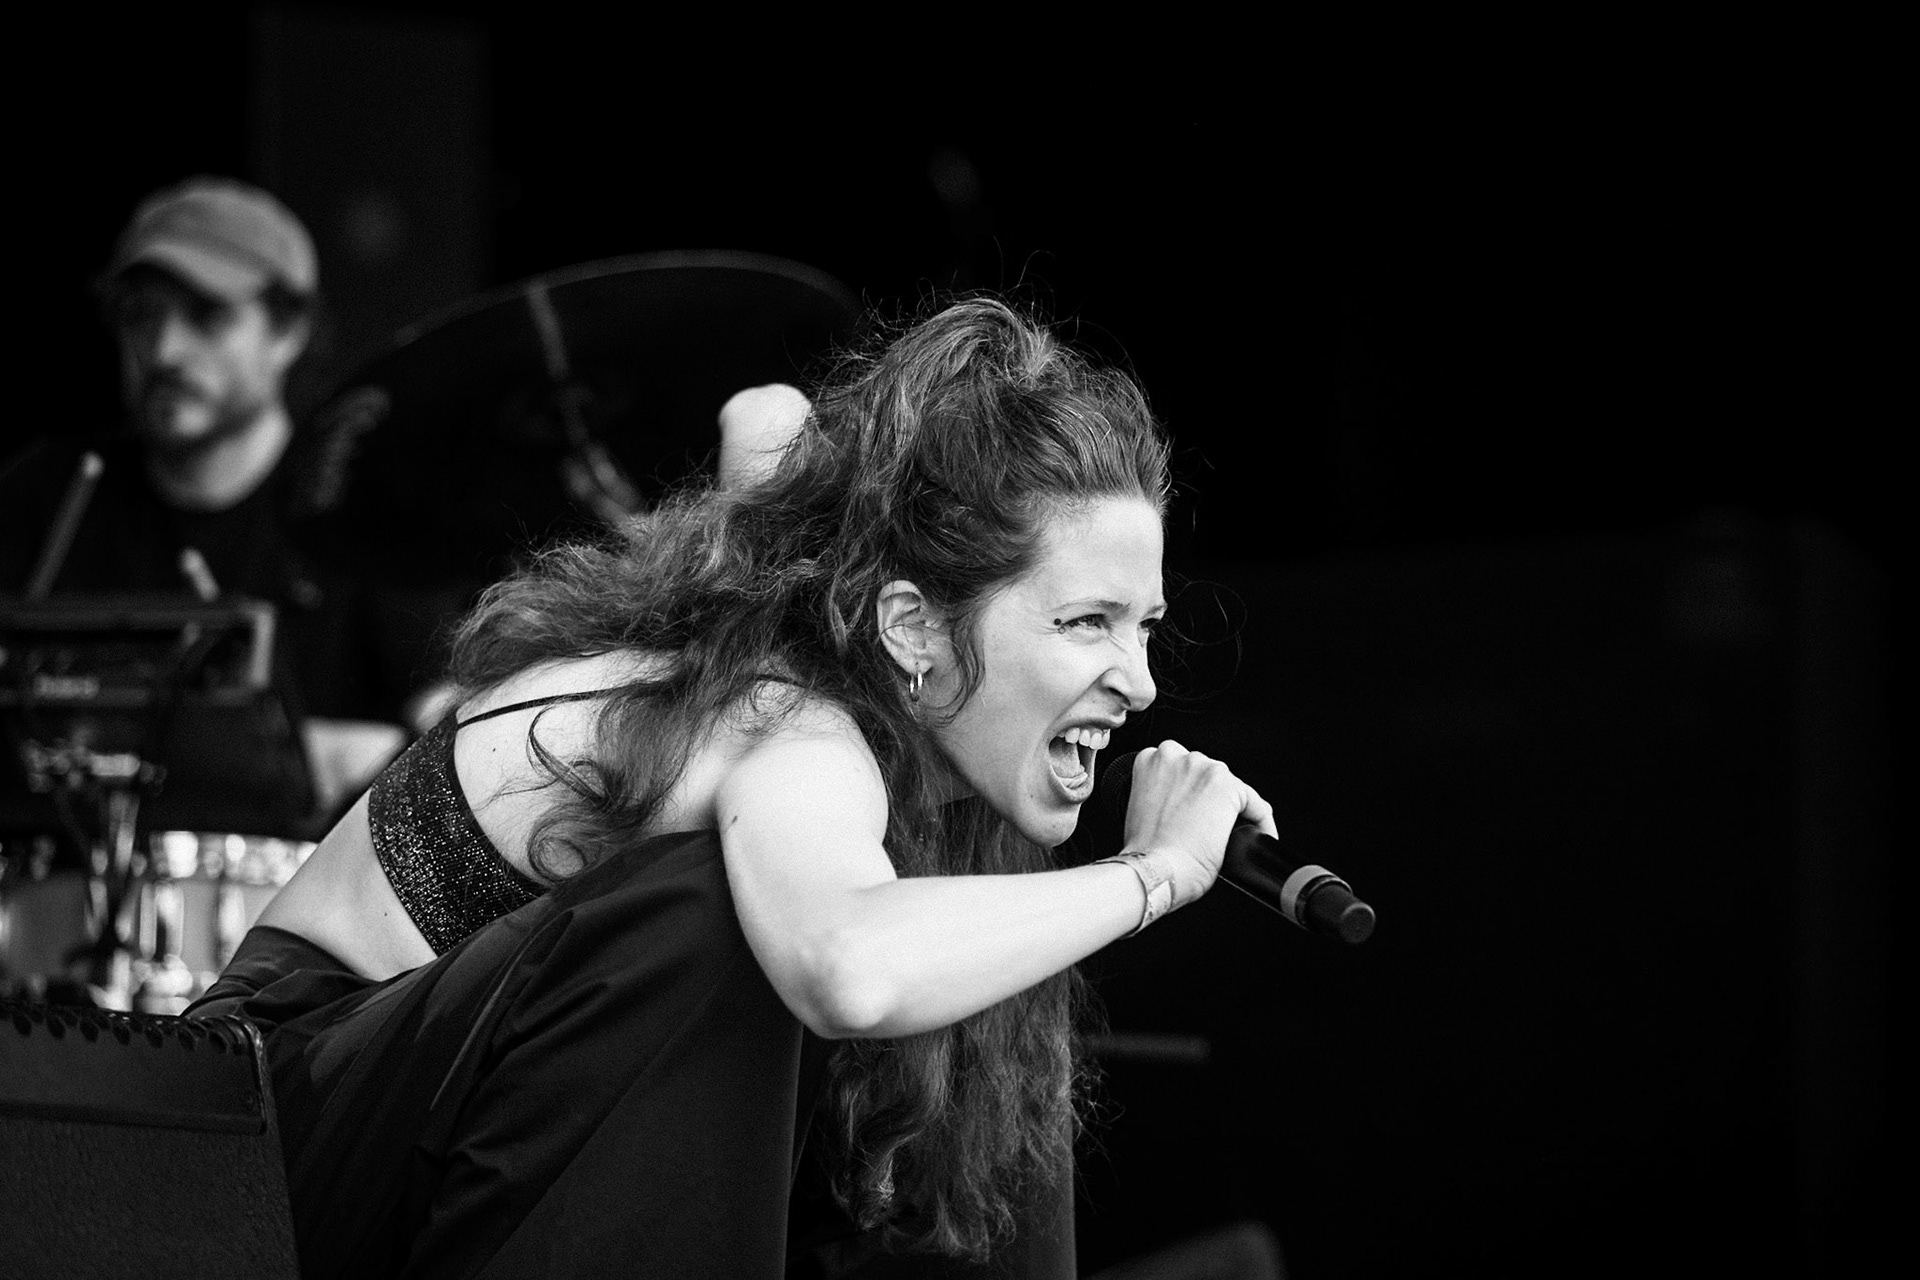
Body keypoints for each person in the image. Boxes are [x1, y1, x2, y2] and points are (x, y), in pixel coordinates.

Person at [185, 297, 1277, 1279]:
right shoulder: (786, 713)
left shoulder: (863, 691)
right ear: (910, 627)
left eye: (1144, 625)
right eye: (1085, 621)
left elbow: (763, 422)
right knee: (709, 912)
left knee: (983, 955)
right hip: (263, 1139)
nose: (1135, 680)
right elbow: (846, 965)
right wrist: (1155, 873)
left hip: (436, 1139)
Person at [0, 176, 423, 825]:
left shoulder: (366, 504)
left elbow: (458, 724)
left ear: (288, 332)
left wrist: (381, 758)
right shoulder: (47, 493)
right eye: (141, 315)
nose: (165, 351)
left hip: (299, 903)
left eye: (206, 315)